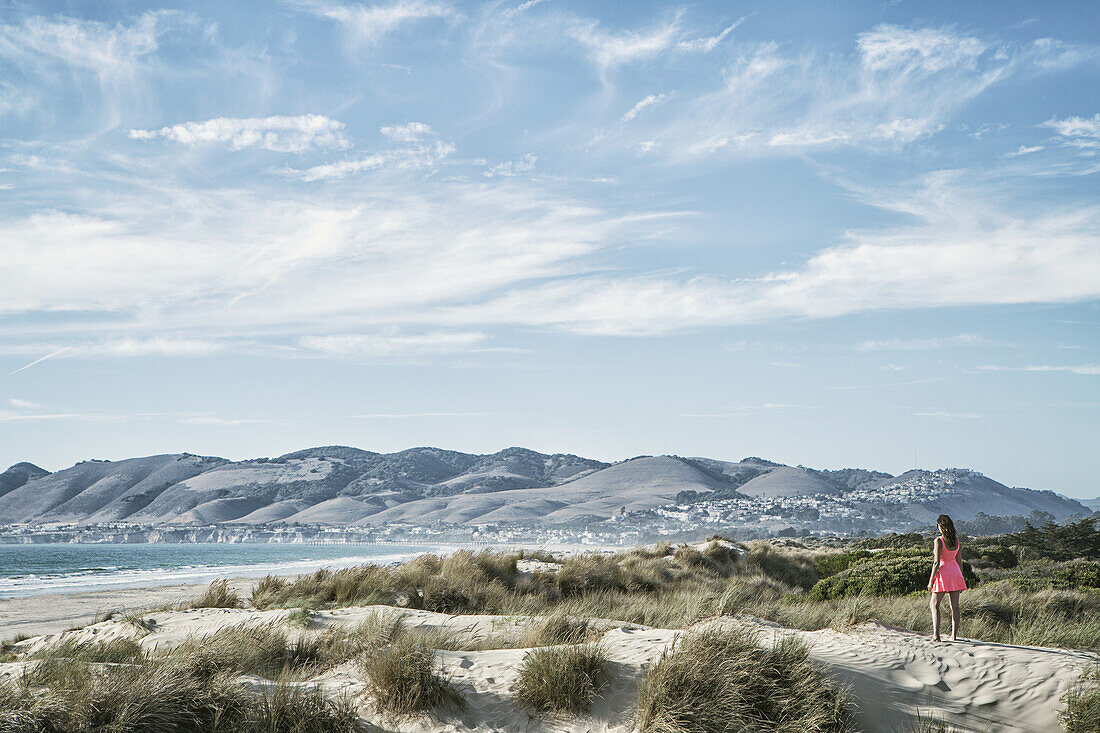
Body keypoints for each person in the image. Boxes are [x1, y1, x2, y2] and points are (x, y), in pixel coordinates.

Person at [927, 514, 967, 641]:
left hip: (943, 573)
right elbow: (960, 562)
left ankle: (936, 635)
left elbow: (936, 563)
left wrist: (931, 581)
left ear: (941, 526)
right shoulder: (956, 540)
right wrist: (960, 578)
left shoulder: (939, 541)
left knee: (934, 604)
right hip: (955, 572)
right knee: (955, 606)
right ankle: (954, 636)